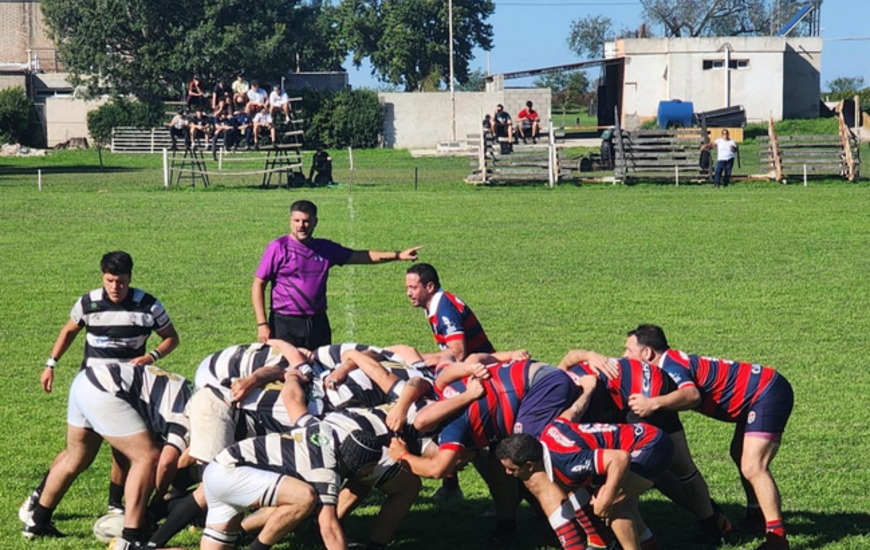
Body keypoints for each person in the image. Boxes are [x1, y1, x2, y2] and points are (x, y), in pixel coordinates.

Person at [27, 251, 179, 519]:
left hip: (127, 389)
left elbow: (171, 338)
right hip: (93, 390)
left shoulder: (148, 306)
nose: (114, 287)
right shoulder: (89, 303)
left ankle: (111, 505)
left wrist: (150, 356)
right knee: (80, 454)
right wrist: (51, 364)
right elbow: (69, 331)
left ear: (129, 279)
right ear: (102, 277)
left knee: (118, 452)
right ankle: (40, 497)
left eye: (120, 282)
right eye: (109, 281)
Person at [618, 324, 794, 550]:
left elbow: (692, 395)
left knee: (753, 466)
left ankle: (777, 540)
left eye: (629, 350)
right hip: (759, 391)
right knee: (739, 454)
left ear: (648, 353)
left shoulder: (671, 366)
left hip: (766, 392)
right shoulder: (669, 362)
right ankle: (755, 515)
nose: (624, 355)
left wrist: (653, 404)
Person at [558, 350, 730, 544]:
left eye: (629, 349)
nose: (624, 353)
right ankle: (712, 520)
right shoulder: (559, 380)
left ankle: (639, 539)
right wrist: (588, 356)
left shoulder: (565, 407)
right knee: (672, 468)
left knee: (617, 489)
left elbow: (615, 457)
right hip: (643, 386)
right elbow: (569, 358)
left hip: (644, 395)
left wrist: (589, 356)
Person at [22, 362, 191, 548]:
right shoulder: (191, 417)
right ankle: (132, 537)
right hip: (106, 389)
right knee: (146, 457)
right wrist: (158, 502)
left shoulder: (195, 394)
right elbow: (166, 462)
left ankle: (38, 522)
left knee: (76, 457)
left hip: (86, 380)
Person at [252, 200, 422, 349]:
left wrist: (398, 255)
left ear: (315, 222)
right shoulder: (278, 247)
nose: (301, 225)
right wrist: (262, 324)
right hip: (285, 322)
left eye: (306, 221)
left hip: (318, 322)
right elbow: (259, 284)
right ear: (290, 221)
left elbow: (360, 256)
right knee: (285, 373)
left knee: (320, 369)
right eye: (297, 221)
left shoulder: (326, 249)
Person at [198, 420, 382, 550]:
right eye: (370, 467)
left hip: (217, 469)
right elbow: (329, 529)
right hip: (232, 473)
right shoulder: (325, 472)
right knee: (304, 497)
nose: (371, 473)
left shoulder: (323, 430)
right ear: (357, 463)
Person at [496, 418, 674, 550]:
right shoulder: (548, 432)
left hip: (651, 447)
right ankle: (650, 545)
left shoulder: (568, 463)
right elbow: (570, 415)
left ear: (529, 465)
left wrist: (608, 497)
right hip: (644, 437)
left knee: (613, 503)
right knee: (615, 499)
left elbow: (619, 458)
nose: (507, 473)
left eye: (511, 469)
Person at [405, 263, 494, 365]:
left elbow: (458, 354)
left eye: (414, 288)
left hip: (481, 369)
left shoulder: (445, 311)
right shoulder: (440, 304)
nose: (409, 293)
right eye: (407, 288)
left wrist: (420, 359)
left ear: (430, 287)